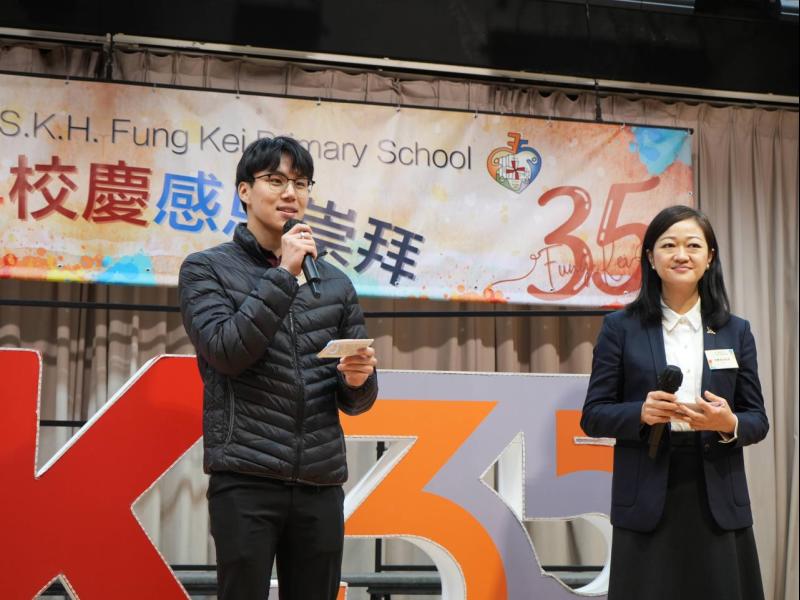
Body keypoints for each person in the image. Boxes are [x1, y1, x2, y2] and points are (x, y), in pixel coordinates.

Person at [178, 136, 378, 600]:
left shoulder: (335, 284)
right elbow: (227, 352)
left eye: (301, 184)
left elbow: (357, 401)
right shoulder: (206, 270)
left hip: (320, 483)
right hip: (245, 477)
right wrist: (284, 273)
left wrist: (357, 381)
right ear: (245, 191)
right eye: (276, 180)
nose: (291, 193)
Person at [581, 205, 768, 600]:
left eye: (693, 245)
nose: (681, 255)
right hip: (647, 492)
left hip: (716, 491)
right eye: (669, 245)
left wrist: (727, 423)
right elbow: (593, 416)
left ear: (710, 257)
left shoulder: (735, 330)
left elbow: (757, 419)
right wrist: (640, 412)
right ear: (651, 257)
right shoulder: (620, 328)